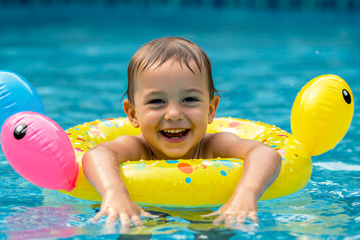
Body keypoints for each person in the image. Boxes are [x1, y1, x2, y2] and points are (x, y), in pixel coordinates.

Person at [82, 37, 281, 228]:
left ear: (211, 110)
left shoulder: (214, 146)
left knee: (216, 229)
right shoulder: (136, 148)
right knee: (132, 229)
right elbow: (96, 154)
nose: (174, 114)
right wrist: (113, 191)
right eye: (157, 101)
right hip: (142, 210)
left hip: (207, 210)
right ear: (133, 114)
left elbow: (265, 153)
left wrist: (246, 193)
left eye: (189, 99)